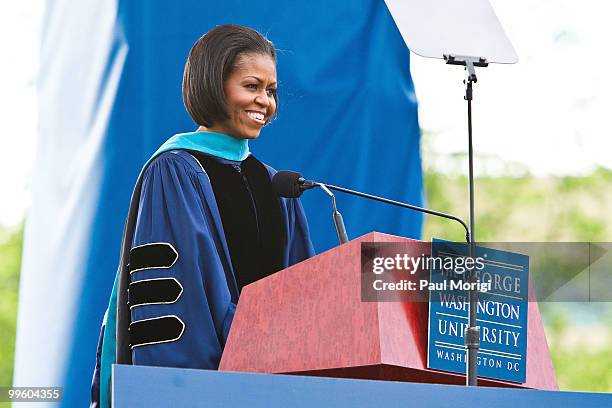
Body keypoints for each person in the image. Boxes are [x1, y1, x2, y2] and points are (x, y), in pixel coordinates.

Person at [90, 24, 315, 408]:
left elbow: (305, 290)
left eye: (271, 90)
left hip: (275, 385)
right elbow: (184, 295)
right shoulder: (176, 171)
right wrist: (253, 351)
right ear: (214, 85)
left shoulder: (276, 185)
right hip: (205, 389)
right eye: (251, 86)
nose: (265, 101)